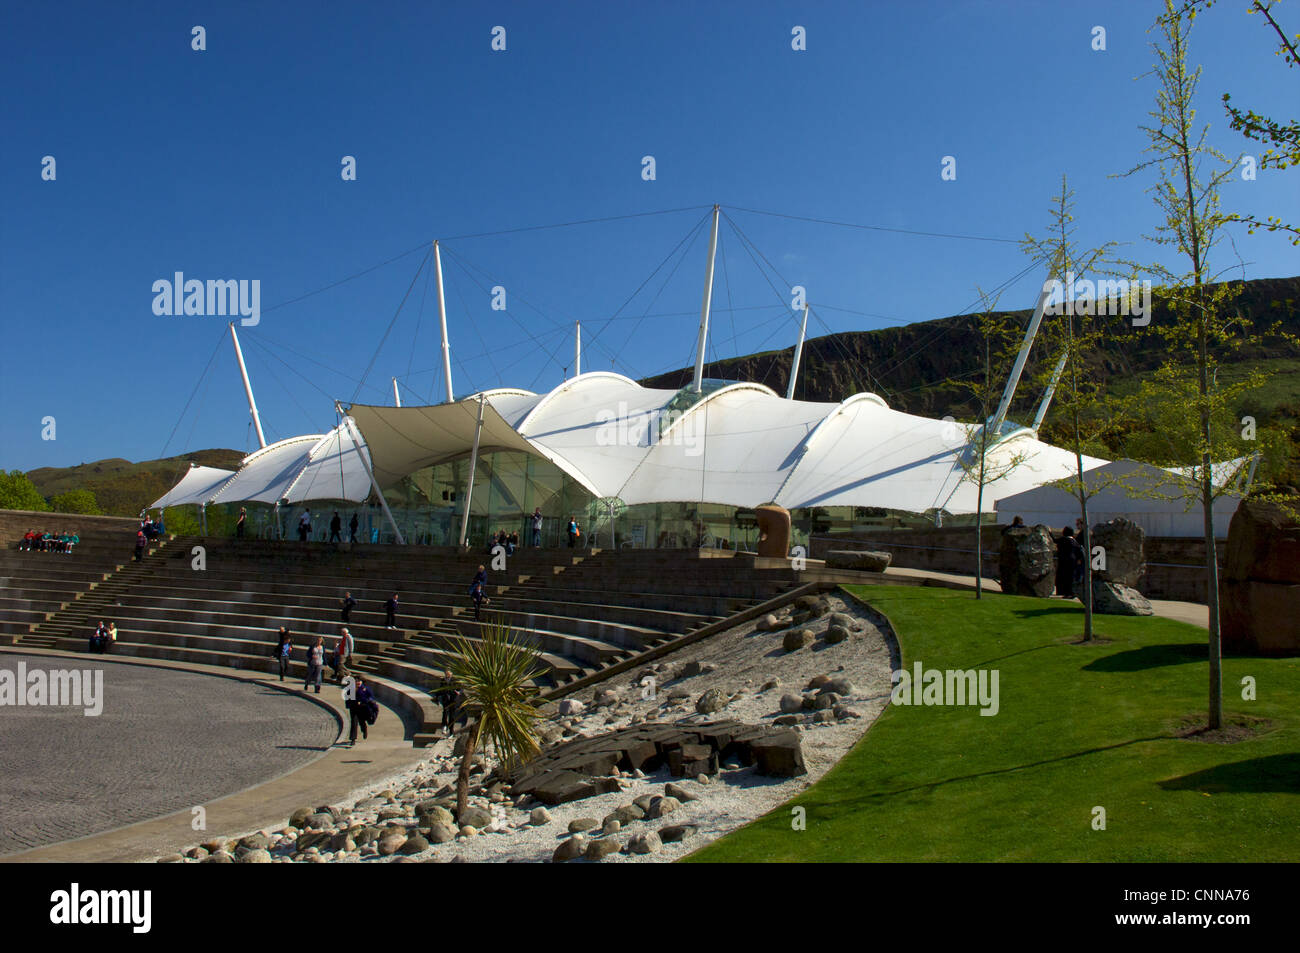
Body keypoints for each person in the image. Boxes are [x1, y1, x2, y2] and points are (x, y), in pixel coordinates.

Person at [346, 676, 375, 745]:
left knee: (361, 721)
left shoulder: (365, 689)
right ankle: (353, 739)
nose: (358, 683)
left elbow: (371, 696)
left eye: (359, 681)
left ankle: (364, 729)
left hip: (363, 707)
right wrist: (348, 705)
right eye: (356, 682)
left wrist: (368, 702)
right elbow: (347, 698)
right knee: (354, 722)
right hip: (354, 708)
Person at [1055, 526, 1083, 598]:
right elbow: (1079, 550)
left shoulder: (1063, 540)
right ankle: (1071, 592)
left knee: (1064, 577)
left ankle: (1066, 592)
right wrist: (1079, 559)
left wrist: (1049, 532)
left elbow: (1054, 540)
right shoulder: (1074, 541)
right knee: (1071, 578)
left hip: (1064, 561)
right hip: (1072, 561)